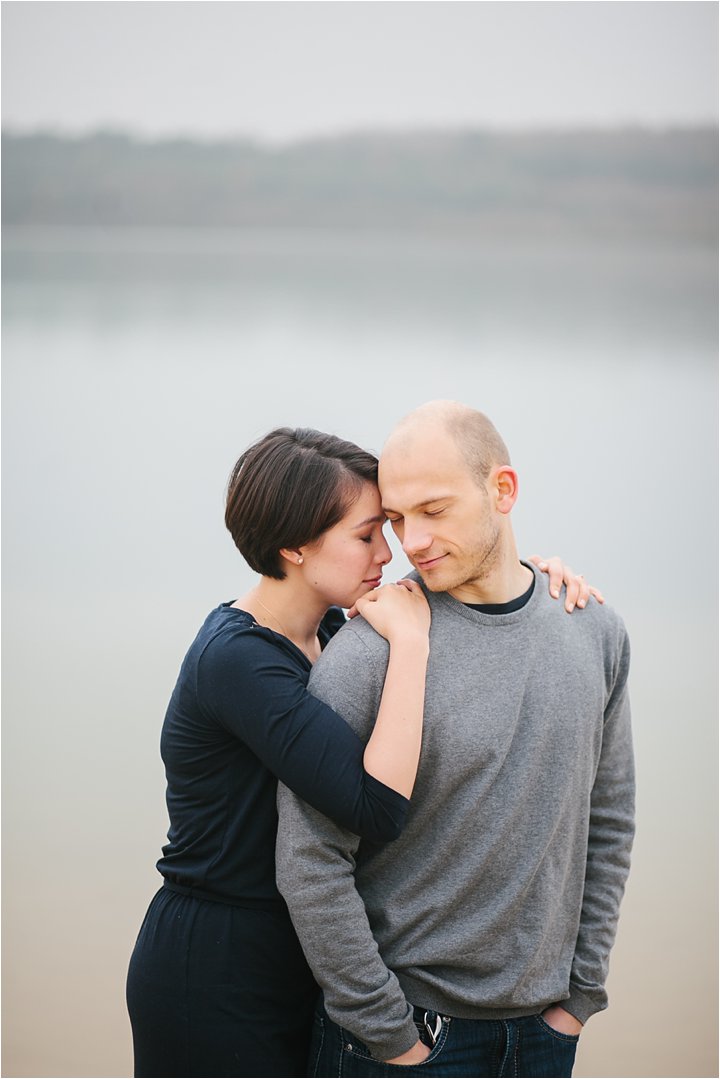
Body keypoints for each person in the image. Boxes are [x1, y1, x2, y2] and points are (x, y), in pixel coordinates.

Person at [126, 425, 596, 1078]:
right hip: (216, 964)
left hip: (302, 960)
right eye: (368, 533)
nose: (392, 551)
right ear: (294, 545)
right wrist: (409, 646)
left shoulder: (325, 628)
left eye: (392, 526)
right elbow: (375, 805)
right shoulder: (236, 660)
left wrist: (527, 574)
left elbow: (462, 560)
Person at [275, 402, 634, 1079]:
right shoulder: (368, 653)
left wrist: (580, 996)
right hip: (401, 1038)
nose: (412, 540)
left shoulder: (593, 631)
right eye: (398, 518)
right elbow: (310, 857)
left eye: (434, 511)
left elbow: (608, 823)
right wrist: (391, 1035)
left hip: (545, 1031)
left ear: (502, 490)